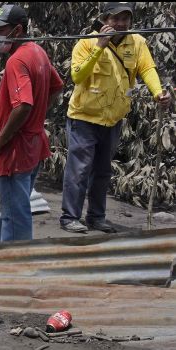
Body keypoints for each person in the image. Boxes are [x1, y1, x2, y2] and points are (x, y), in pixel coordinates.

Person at [60, 2, 172, 233]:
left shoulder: (137, 42)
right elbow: (77, 76)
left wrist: (158, 92)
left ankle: (96, 218)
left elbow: (147, 69)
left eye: (125, 19)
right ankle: (70, 217)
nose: (120, 24)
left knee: (102, 172)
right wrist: (99, 47)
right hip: (84, 118)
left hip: (113, 120)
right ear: (104, 20)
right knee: (79, 171)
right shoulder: (86, 42)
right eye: (115, 19)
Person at [0, 5, 64, 242]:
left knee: (14, 215)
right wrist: (38, 116)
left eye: (0, 30)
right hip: (32, 143)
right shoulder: (38, 51)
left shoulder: (16, 61)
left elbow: (23, 105)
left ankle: (16, 266)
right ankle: (6, 256)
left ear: (17, 30)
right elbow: (56, 86)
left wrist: (3, 138)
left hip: (16, 149)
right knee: (11, 209)